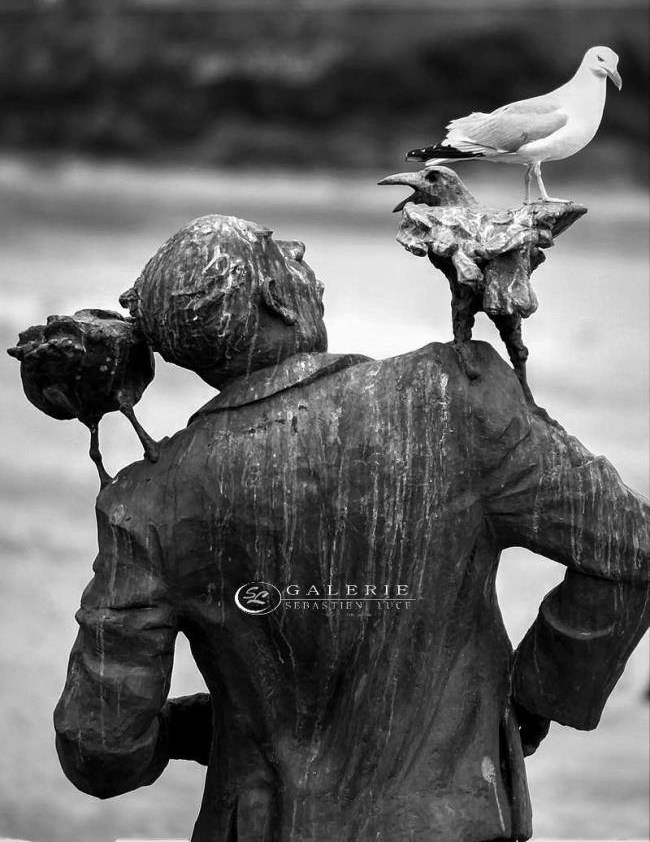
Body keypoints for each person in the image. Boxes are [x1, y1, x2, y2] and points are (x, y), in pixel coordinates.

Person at [54, 216, 649, 842]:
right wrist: (530, 699)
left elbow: (102, 747)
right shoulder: (453, 400)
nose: (299, 248)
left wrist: (210, 727)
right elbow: (630, 548)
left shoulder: (148, 497)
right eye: (277, 248)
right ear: (275, 298)